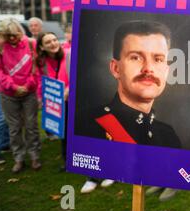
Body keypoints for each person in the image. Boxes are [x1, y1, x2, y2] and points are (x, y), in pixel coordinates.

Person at [82, 20, 181, 149]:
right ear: (116, 68)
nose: (148, 68)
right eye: (136, 57)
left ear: (166, 72)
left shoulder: (168, 136)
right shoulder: (86, 126)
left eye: (158, 59)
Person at [0, 18, 41, 173]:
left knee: (31, 125)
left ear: (20, 32)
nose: (12, 39)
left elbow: (36, 68)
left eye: (14, 35)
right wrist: (13, 86)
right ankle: (19, 158)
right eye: (8, 36)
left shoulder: (31, 43)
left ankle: (34, 155)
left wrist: (27, 86)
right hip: (8, 93)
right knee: (14, 128)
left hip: (29, 91)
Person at [36, 32, 70, 170]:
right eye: (48, 42)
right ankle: (67, 161)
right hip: (57, 100)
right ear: (42, 47)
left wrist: (69, 89)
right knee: (63, 132)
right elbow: (40, 81)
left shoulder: (68, 54)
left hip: (72, 97)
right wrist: (41, 97)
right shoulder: (41, 62)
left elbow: (78, 74)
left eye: (54, 40)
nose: (53, 43)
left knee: (76, 131)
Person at [0, 39, 10, 166]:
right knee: (2, 117)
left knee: (8, 117)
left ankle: (4, 143)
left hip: (7, 86)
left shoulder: (0, 44)